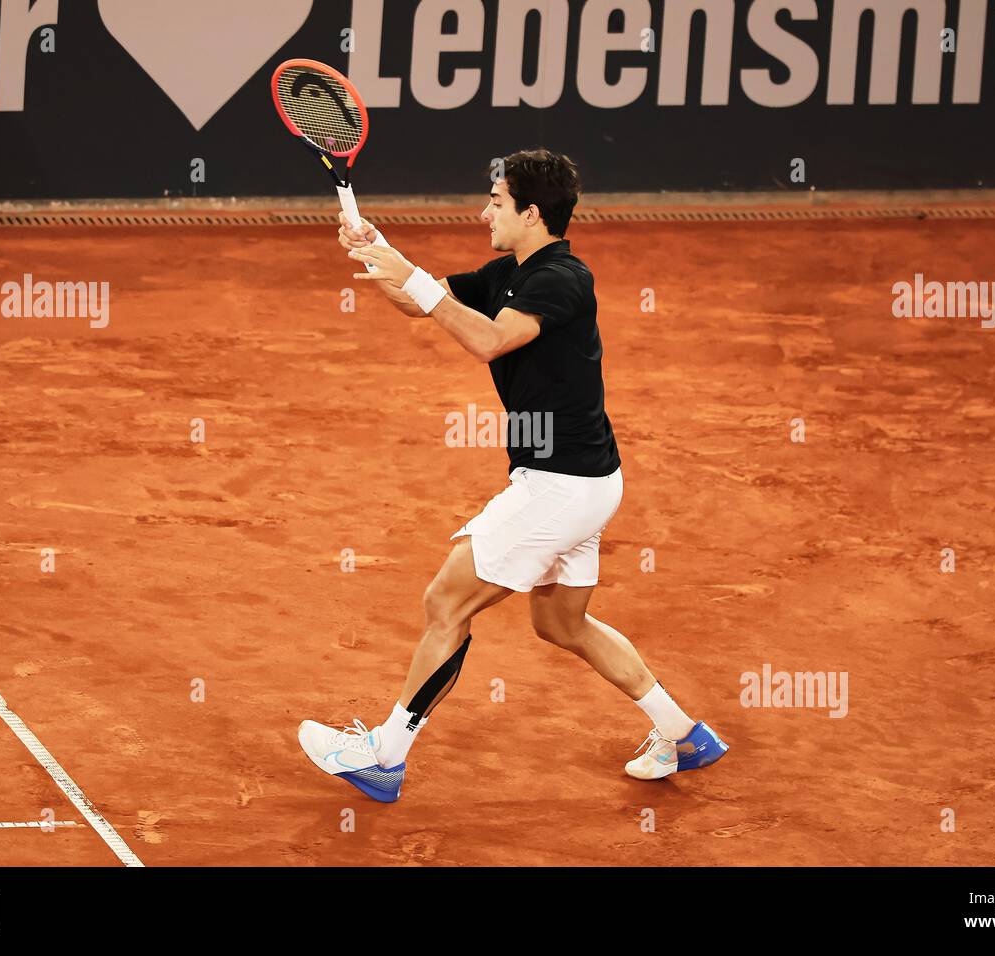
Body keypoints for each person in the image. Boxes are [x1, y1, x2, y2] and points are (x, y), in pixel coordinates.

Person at [297, 148, 728, 802]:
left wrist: (405, 275)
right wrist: (375, 249)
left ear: (531, 212)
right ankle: (685, 733)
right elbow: (426, 304)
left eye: (496, 203)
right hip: (586, 481)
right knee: (561, 624)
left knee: (447, 602)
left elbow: (490, 341)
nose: (484, 212)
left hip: (560, 485)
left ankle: (386, 755)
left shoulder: (561, 279)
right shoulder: (511, 271)